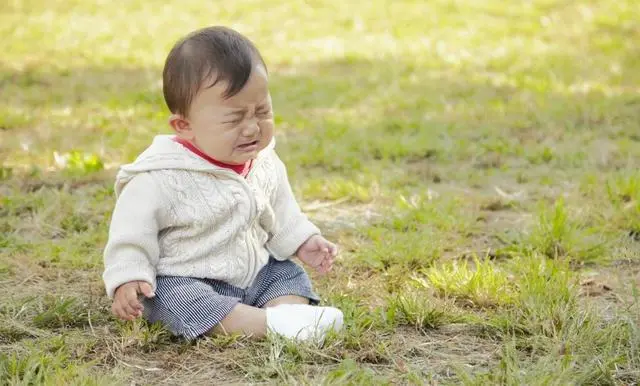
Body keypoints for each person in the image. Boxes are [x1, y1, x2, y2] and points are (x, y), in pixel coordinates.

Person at [102, 26, 343, 342]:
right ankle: (272, 326)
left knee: (285, 272)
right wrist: (128, 277)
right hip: (187, 278)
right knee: (176, 302)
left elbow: (282, 210)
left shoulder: (264, 161)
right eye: (233, 119)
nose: (252, 128)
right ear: (184, 126)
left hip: (252, 272)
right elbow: (130, 234)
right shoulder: (159, 177)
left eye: (262, 111)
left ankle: (285, 316)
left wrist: (303, 240)